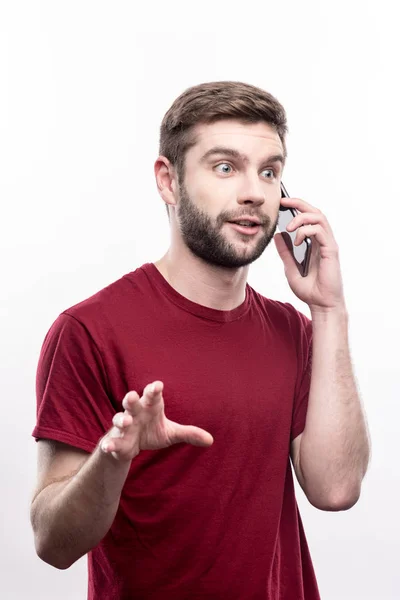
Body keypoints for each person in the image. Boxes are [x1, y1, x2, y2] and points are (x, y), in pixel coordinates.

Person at [30, 81, 370, 600]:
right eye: (226, 167)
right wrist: (113, 458)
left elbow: (336, 489)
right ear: (168, 181)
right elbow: (52, 542)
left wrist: (329, 310)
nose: (255, 191)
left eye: (270, 170)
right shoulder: (89, 331)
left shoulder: (295, 331)